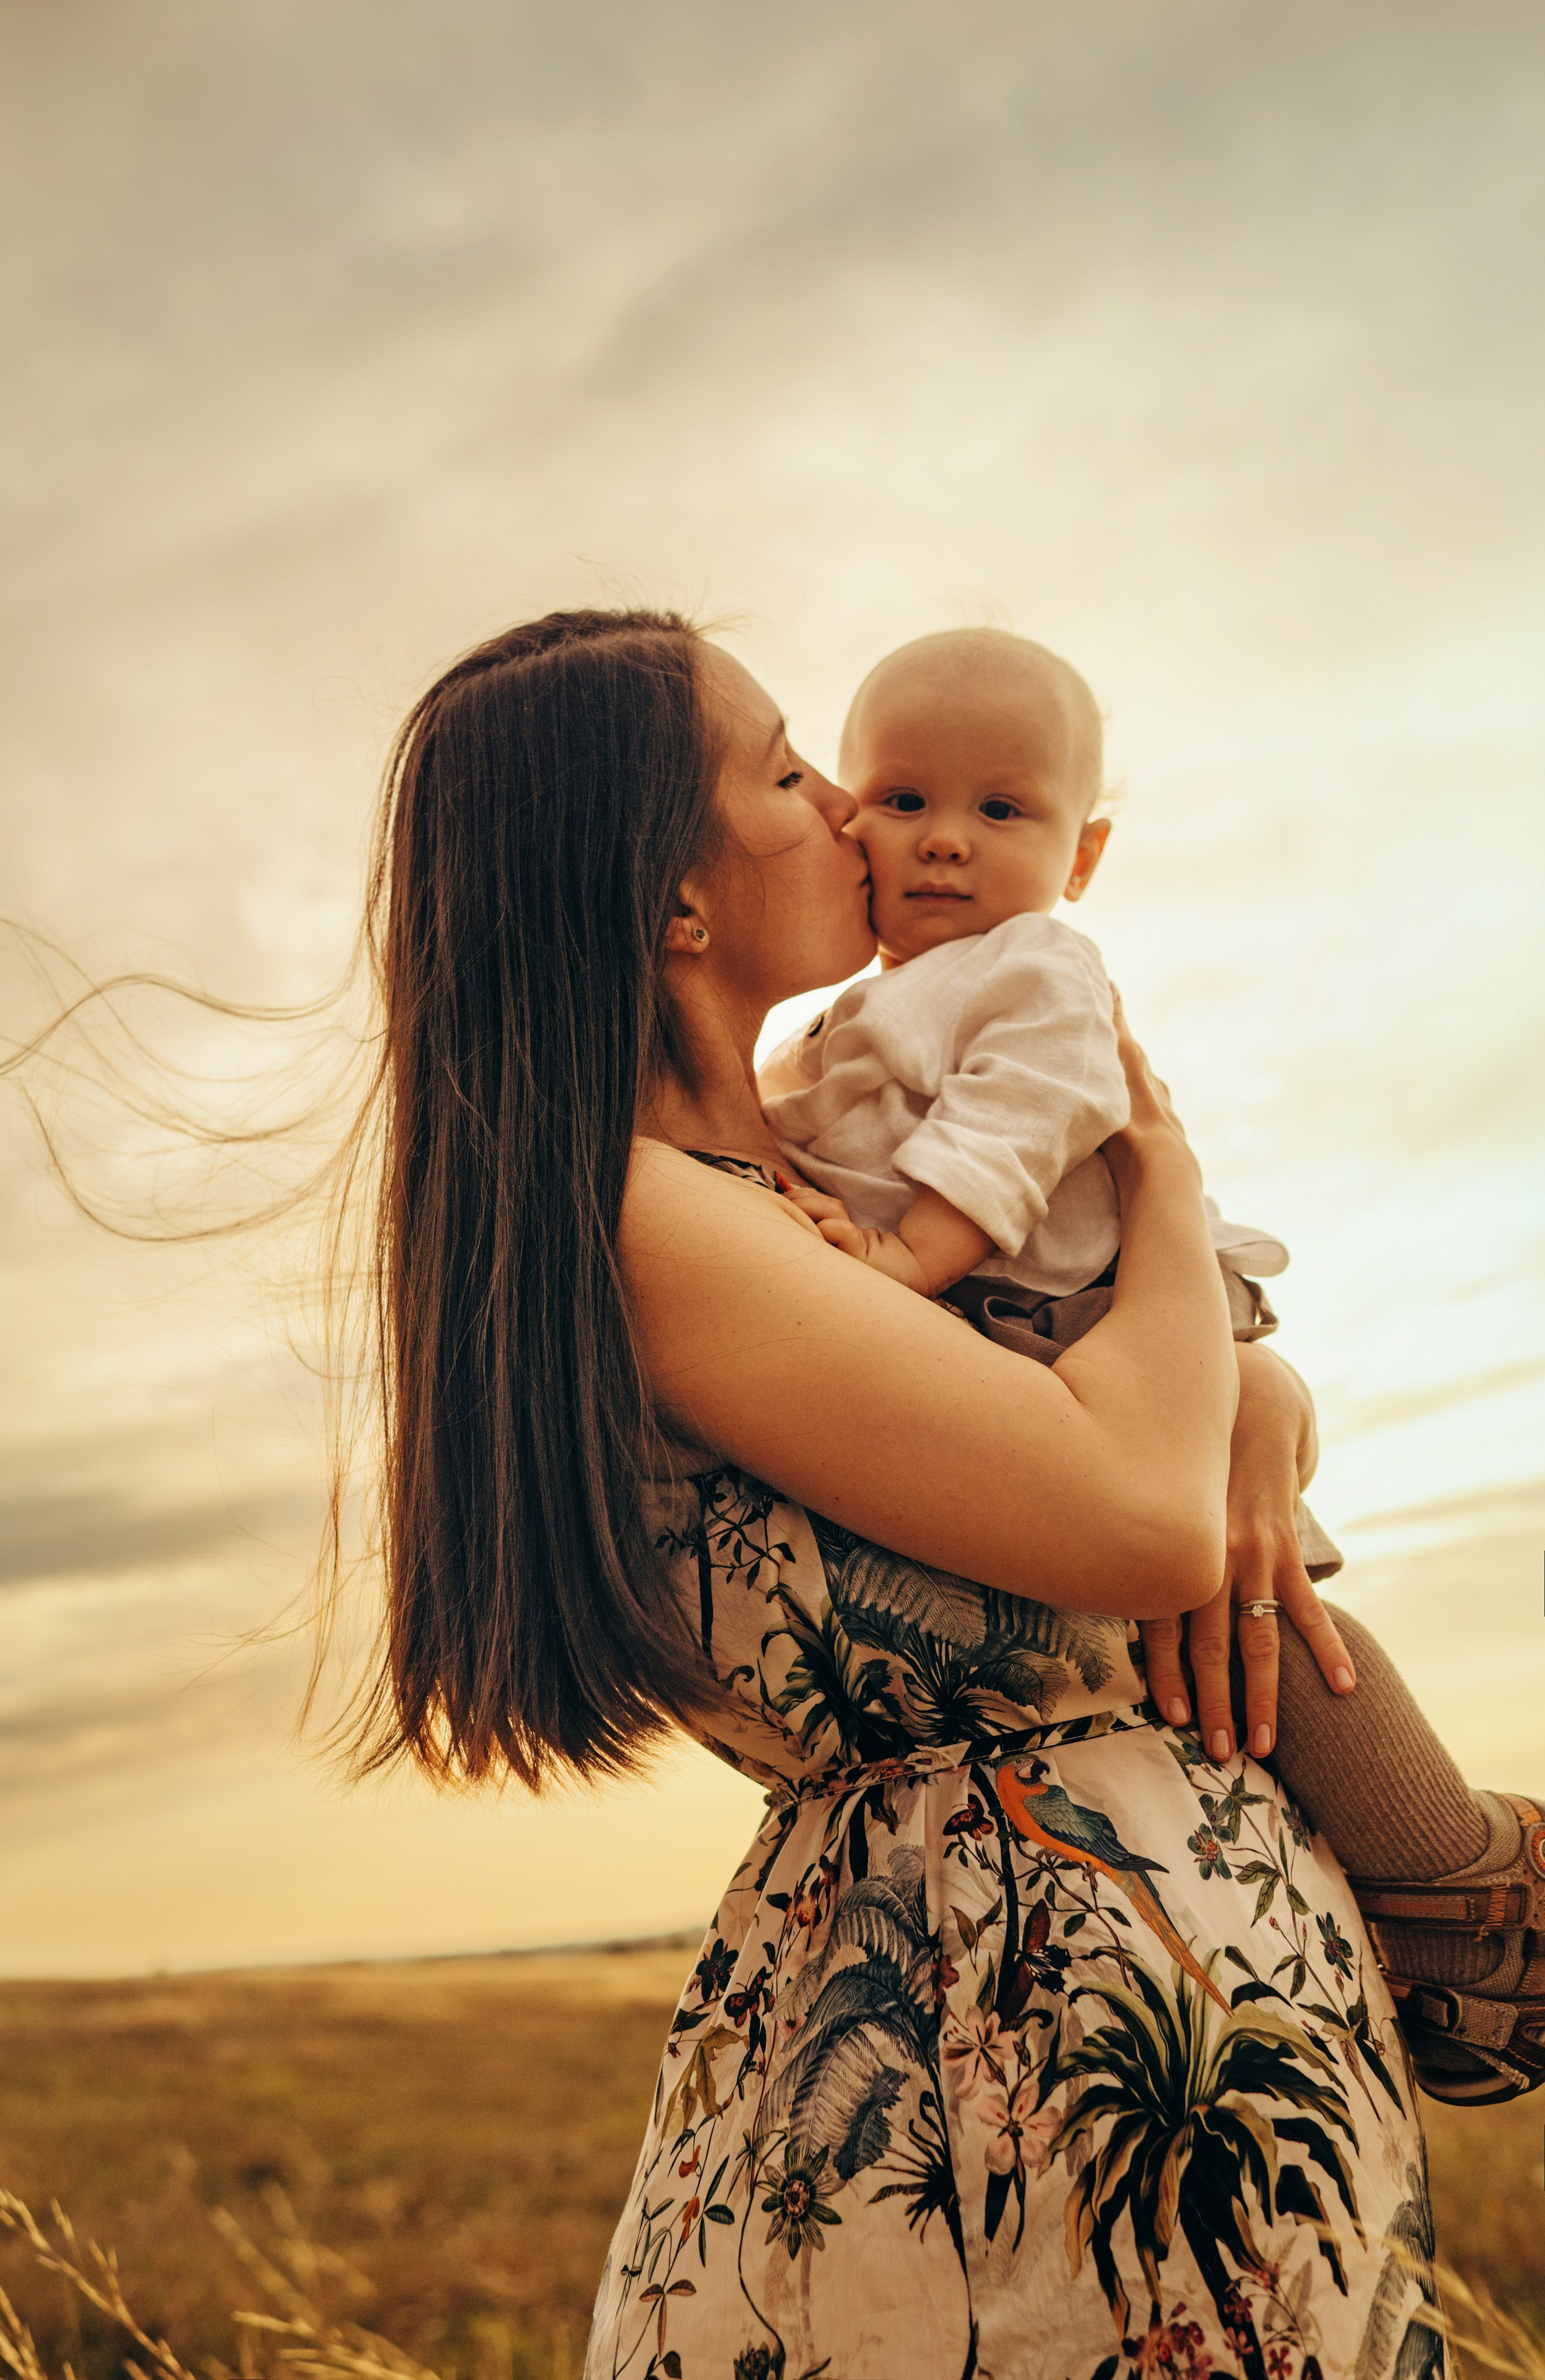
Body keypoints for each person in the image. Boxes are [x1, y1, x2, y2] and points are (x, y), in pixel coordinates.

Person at [361, 606, 1445, 2379]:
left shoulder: (812, 1163)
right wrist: (1162, 1179)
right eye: (789, 770)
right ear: (675, 903)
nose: (855, 811)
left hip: (1164, 2076)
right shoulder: (660, 1226)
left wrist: (1261, 1391)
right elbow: (1140, 1520)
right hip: (988, 2123)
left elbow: (1104, 1399)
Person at [759, 628, 1544, 2115]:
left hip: (1094, 1313)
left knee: (1268, 1614)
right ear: (847, 813)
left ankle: (1459, 1876)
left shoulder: (1036, 968)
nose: (941, 843)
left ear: (1084, 853)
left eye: (1003, 812)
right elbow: (814, 1144)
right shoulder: (841, 1022)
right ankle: (1404, 1929)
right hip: (1024, 1349)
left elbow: (1026, 1119)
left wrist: (900, 1261)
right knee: (1192, 1652)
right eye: (902, 798)